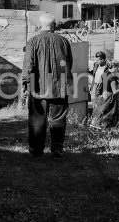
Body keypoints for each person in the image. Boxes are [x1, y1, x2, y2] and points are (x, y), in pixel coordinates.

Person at [22, 13, 73, 159]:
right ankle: (57, 149)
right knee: (58, 119)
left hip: (38, 87)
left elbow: (28, 65)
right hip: (60, 86)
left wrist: (26, 84)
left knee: (37, 119)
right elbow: (69, 62)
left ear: (39, 26)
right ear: (54, 26)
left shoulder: (33, 41)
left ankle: (36, 150)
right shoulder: (64, 41)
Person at [90, 59, 119, 128]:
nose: (118, 69)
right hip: (109, 97)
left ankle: (95, 125)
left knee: (101, 112)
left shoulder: (104, 74)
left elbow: (100, 85)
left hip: (103, 96)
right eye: (117, 67)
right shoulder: (112, 78)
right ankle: (106, 128)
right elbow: (114, 92)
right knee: (110, 113)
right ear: (114, 67)